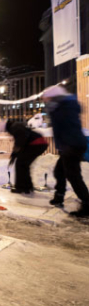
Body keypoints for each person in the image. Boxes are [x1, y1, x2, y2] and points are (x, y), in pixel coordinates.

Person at [43, 85, 89, 217]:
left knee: (73, 175)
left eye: (48, 99)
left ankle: (87, 204)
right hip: (69, 145)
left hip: (72, 145)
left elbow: (66, 127)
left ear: (55, 98)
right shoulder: (63, 107)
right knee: (60, 171)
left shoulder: (64, 108)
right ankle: (59, 196)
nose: (47, 102)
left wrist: (66, 145)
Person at [5, 121, 48, 194]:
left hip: (36, 144)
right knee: (23, 165)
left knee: (20, 164)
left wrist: (15, 153)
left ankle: (21, 187)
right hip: (39, 143)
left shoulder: (15, 128)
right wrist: (15, 154)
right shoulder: (17, 126)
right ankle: (27, 187)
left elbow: (20, 140)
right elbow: (22, 142)